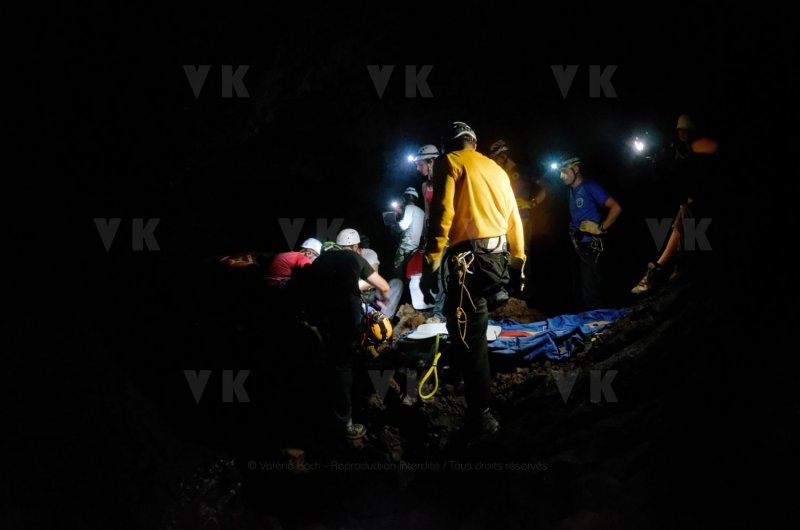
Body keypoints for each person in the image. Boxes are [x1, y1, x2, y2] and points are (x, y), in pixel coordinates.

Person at [420, 121, 526, 436]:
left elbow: (443, 215)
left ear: (450, 145)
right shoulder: (497, 170)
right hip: (498, 260)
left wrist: (431, 264)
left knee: (470, 337)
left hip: (467, 261)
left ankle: (481, 414)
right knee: (468, 328)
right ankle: (472, 382)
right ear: (474, 144)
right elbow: (514, 218)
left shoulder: (449, 162)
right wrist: (519, 263)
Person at [307, 228, 392, 440]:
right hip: (346, 315)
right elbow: (383, 285)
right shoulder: (355, 257)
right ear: (355, 247)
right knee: (343, 365)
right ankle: (344, 425)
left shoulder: (321, 260)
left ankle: (320, 406)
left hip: (320, 316)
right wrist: (383, 301)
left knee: (330, 359)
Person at [631, 124, 720, 295]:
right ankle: (661, 268)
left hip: (707, 207)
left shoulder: (703, 147)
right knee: (684, 213)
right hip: (692, 205)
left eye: (685, 130)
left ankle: (662, 269)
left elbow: (704, 177)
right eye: (680, 131)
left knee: (687, 215)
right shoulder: (678, 151)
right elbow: (678, 179)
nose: (682, 134)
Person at [559, 156, 622, 310]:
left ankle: (596, 324)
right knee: (577, 286)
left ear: (576, 169)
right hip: (576, 244)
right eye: (561, 172)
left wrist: (600, 228)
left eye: (565, 171)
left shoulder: (590, 186)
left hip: (590, 245)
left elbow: (616, 207)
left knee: (590, 288)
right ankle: (583, 318)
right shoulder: (571, 190)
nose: (562, 176)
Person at [359, 241, 403, 319]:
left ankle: (384, 319)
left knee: (397, 283)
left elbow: (372, 282)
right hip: (358, 297)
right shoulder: (344, 260)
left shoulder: (368, 253)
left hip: (373, 292)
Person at [392, 187, 425, 280]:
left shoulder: (409, 208)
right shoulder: (421, 212)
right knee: (411, 275)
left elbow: (402, 226)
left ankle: (399, 291)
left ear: (405, 198)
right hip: (416, 249)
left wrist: (393, 220)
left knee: (398, 274)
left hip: (405, 248)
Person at [414, 144, 440, 224]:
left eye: (420, 164)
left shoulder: (445, 181)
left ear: (431, 162)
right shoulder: (424, 186)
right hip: (435, 227)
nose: (417, 168)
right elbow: (427, 213)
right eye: (416, 165)